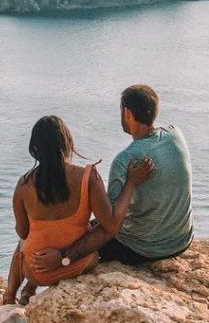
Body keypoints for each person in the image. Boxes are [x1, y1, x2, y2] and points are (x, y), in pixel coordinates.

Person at [31, 84, 193, 274]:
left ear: (127, 113)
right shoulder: (176, 134)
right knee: (86, 227)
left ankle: (38, 276)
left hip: (144, 249)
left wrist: (64, 256)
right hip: (182, 240)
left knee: (76, 235)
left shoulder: (125, 160)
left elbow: (110, 227)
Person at [2, 114, 154, 305]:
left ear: (34, 148)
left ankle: (10, 296)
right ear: (68, 143)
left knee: (23, 242)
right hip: (77, 264)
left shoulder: (23, 185)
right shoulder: (87, 177)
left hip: (35, 271)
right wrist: (131, 182)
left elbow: (23, 232)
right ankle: (25, 291)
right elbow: (111, 224)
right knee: (93, 230)